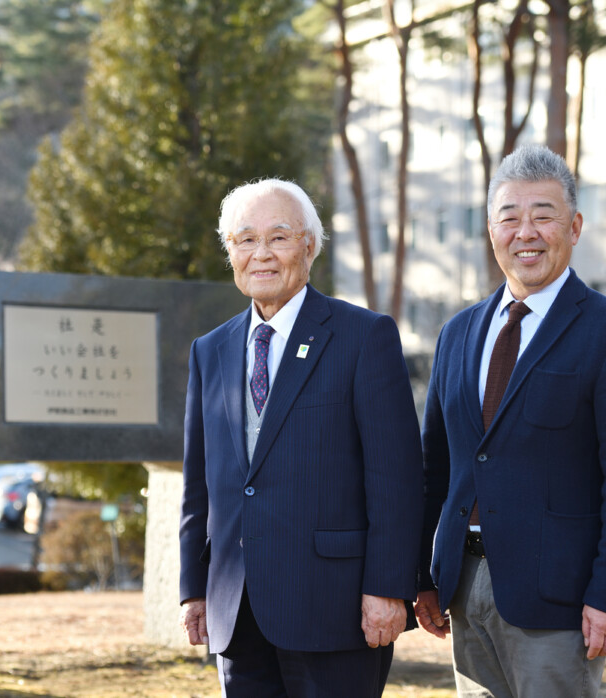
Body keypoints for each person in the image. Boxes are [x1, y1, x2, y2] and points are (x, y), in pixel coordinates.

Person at [414, 144, 606, 696]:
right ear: (490, 229)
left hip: (560, 599)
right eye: (509, 216)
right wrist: (421, 577)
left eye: (543, 216)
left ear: (574, 227)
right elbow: (434, 467)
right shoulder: (458, 333)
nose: (525, 231)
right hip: (463, 584)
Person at [179, 178, 424, 697]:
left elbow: (396, 478)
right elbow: (199, 483)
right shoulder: (210, 350)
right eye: (245, 240)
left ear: (309, 246)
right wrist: (192, 589)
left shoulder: (364, 337)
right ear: (231, 252)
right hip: (236, 611)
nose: (261, 254)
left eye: (280, 237)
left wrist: (388, 587)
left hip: (334, 610)